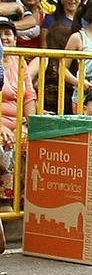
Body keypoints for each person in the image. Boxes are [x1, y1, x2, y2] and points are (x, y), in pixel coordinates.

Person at [1, 18, 38, 201]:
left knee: (34, 141)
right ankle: (6, 199)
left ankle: (26, 198)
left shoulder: (20, 60)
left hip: (18, 122)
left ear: (15, 38)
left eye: (7, 33)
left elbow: (29, 95)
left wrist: (33, 124)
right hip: (1, 123)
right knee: (6, 143)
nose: (3, 38)